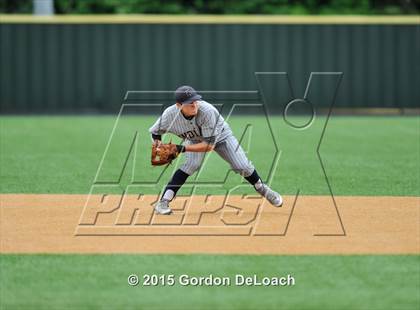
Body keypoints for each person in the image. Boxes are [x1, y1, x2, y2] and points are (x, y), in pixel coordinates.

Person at [149, 85, 282, 215]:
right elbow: (155, 132)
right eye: (190, 103)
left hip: (222, 137)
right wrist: (159, 146)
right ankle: (163, 202)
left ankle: (263, 189)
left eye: (195, 100)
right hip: (194, 139)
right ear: (179, 105)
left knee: (242, 166)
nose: (194, 104)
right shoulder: (169, 115)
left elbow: (209, 145)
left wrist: (181, 148)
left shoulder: (207, 111)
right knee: (191, 165)